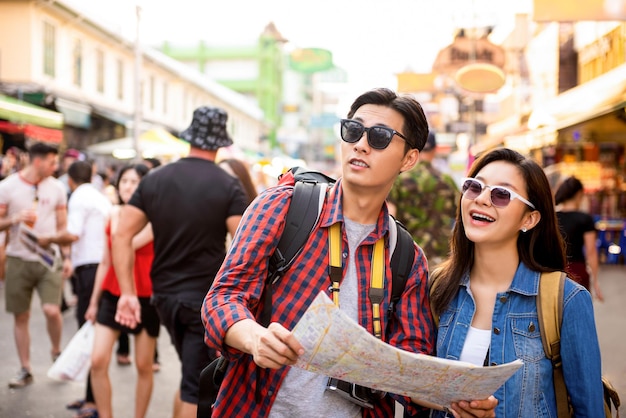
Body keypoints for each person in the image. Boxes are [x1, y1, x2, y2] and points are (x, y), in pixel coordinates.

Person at [201, 88, 497, 417]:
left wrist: (453, 399)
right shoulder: (283, 207)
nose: (361, 144)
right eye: (353, 130)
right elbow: (223, 298)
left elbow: (409, 364)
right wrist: (254, 337)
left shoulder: (407, 258)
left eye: (380, 137)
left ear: (409, 158)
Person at [429, 148, 605, 417]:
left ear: (529, 219)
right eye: (474, 187)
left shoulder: (565, 300)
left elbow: (589, 411)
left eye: (501, 194)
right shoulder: (439, 286)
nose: (482, 199)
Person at [113, 106, 249, 418]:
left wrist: (128, 294)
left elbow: (121, 236)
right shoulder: (228, 186)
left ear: (190, 137)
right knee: (195, 386)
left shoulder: (155, 179)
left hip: (163, 298)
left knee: (191, 373)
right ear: (220, 143)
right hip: (202, 303)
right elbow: (243, 246)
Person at [37, 160, 112, 417]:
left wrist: (48, 239)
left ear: (69, 180)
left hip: (91, 270)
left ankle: (93, 402)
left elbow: (73, 233)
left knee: (89, 332)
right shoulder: (98, 196)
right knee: (90, 332)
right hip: (95, 267)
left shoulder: (79, 197)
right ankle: (90, 398)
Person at [85, 163, 159, 418]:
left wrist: (120, 215)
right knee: (97, 361)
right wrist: (93, 302)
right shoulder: (112, 213)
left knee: (144, 366)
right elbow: (106, 261)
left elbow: (124, 242)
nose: (128, 186)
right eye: (125, 181)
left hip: (146, 297)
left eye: (135, 182)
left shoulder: (153, 218)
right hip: (112, 294)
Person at [0, 142, 68, 388]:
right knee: (21, 315)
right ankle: (25, 368)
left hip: (49, 258)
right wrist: (15, 219)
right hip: (18, 258)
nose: (56, 166)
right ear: (37, 161)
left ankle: (57, 351)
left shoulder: (57, 188)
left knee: (52, 310)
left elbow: (63, 226)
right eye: (52, 162)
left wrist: (67, 256)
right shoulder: (7, 187)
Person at [388, 130, 459, 268]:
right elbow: (460, 217)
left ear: (413, 151)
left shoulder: (400, 180)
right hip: (440, 260)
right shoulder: (447, 181)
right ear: (434, 151)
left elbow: (390, 218)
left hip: (407, 257)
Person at [554, 176, 604, 301]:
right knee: (579, 312)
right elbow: (591, 251)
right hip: (578, 272)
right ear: (579, 194)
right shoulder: (585, 219)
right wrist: (596, 281)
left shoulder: (553, 217)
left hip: (554, 270)